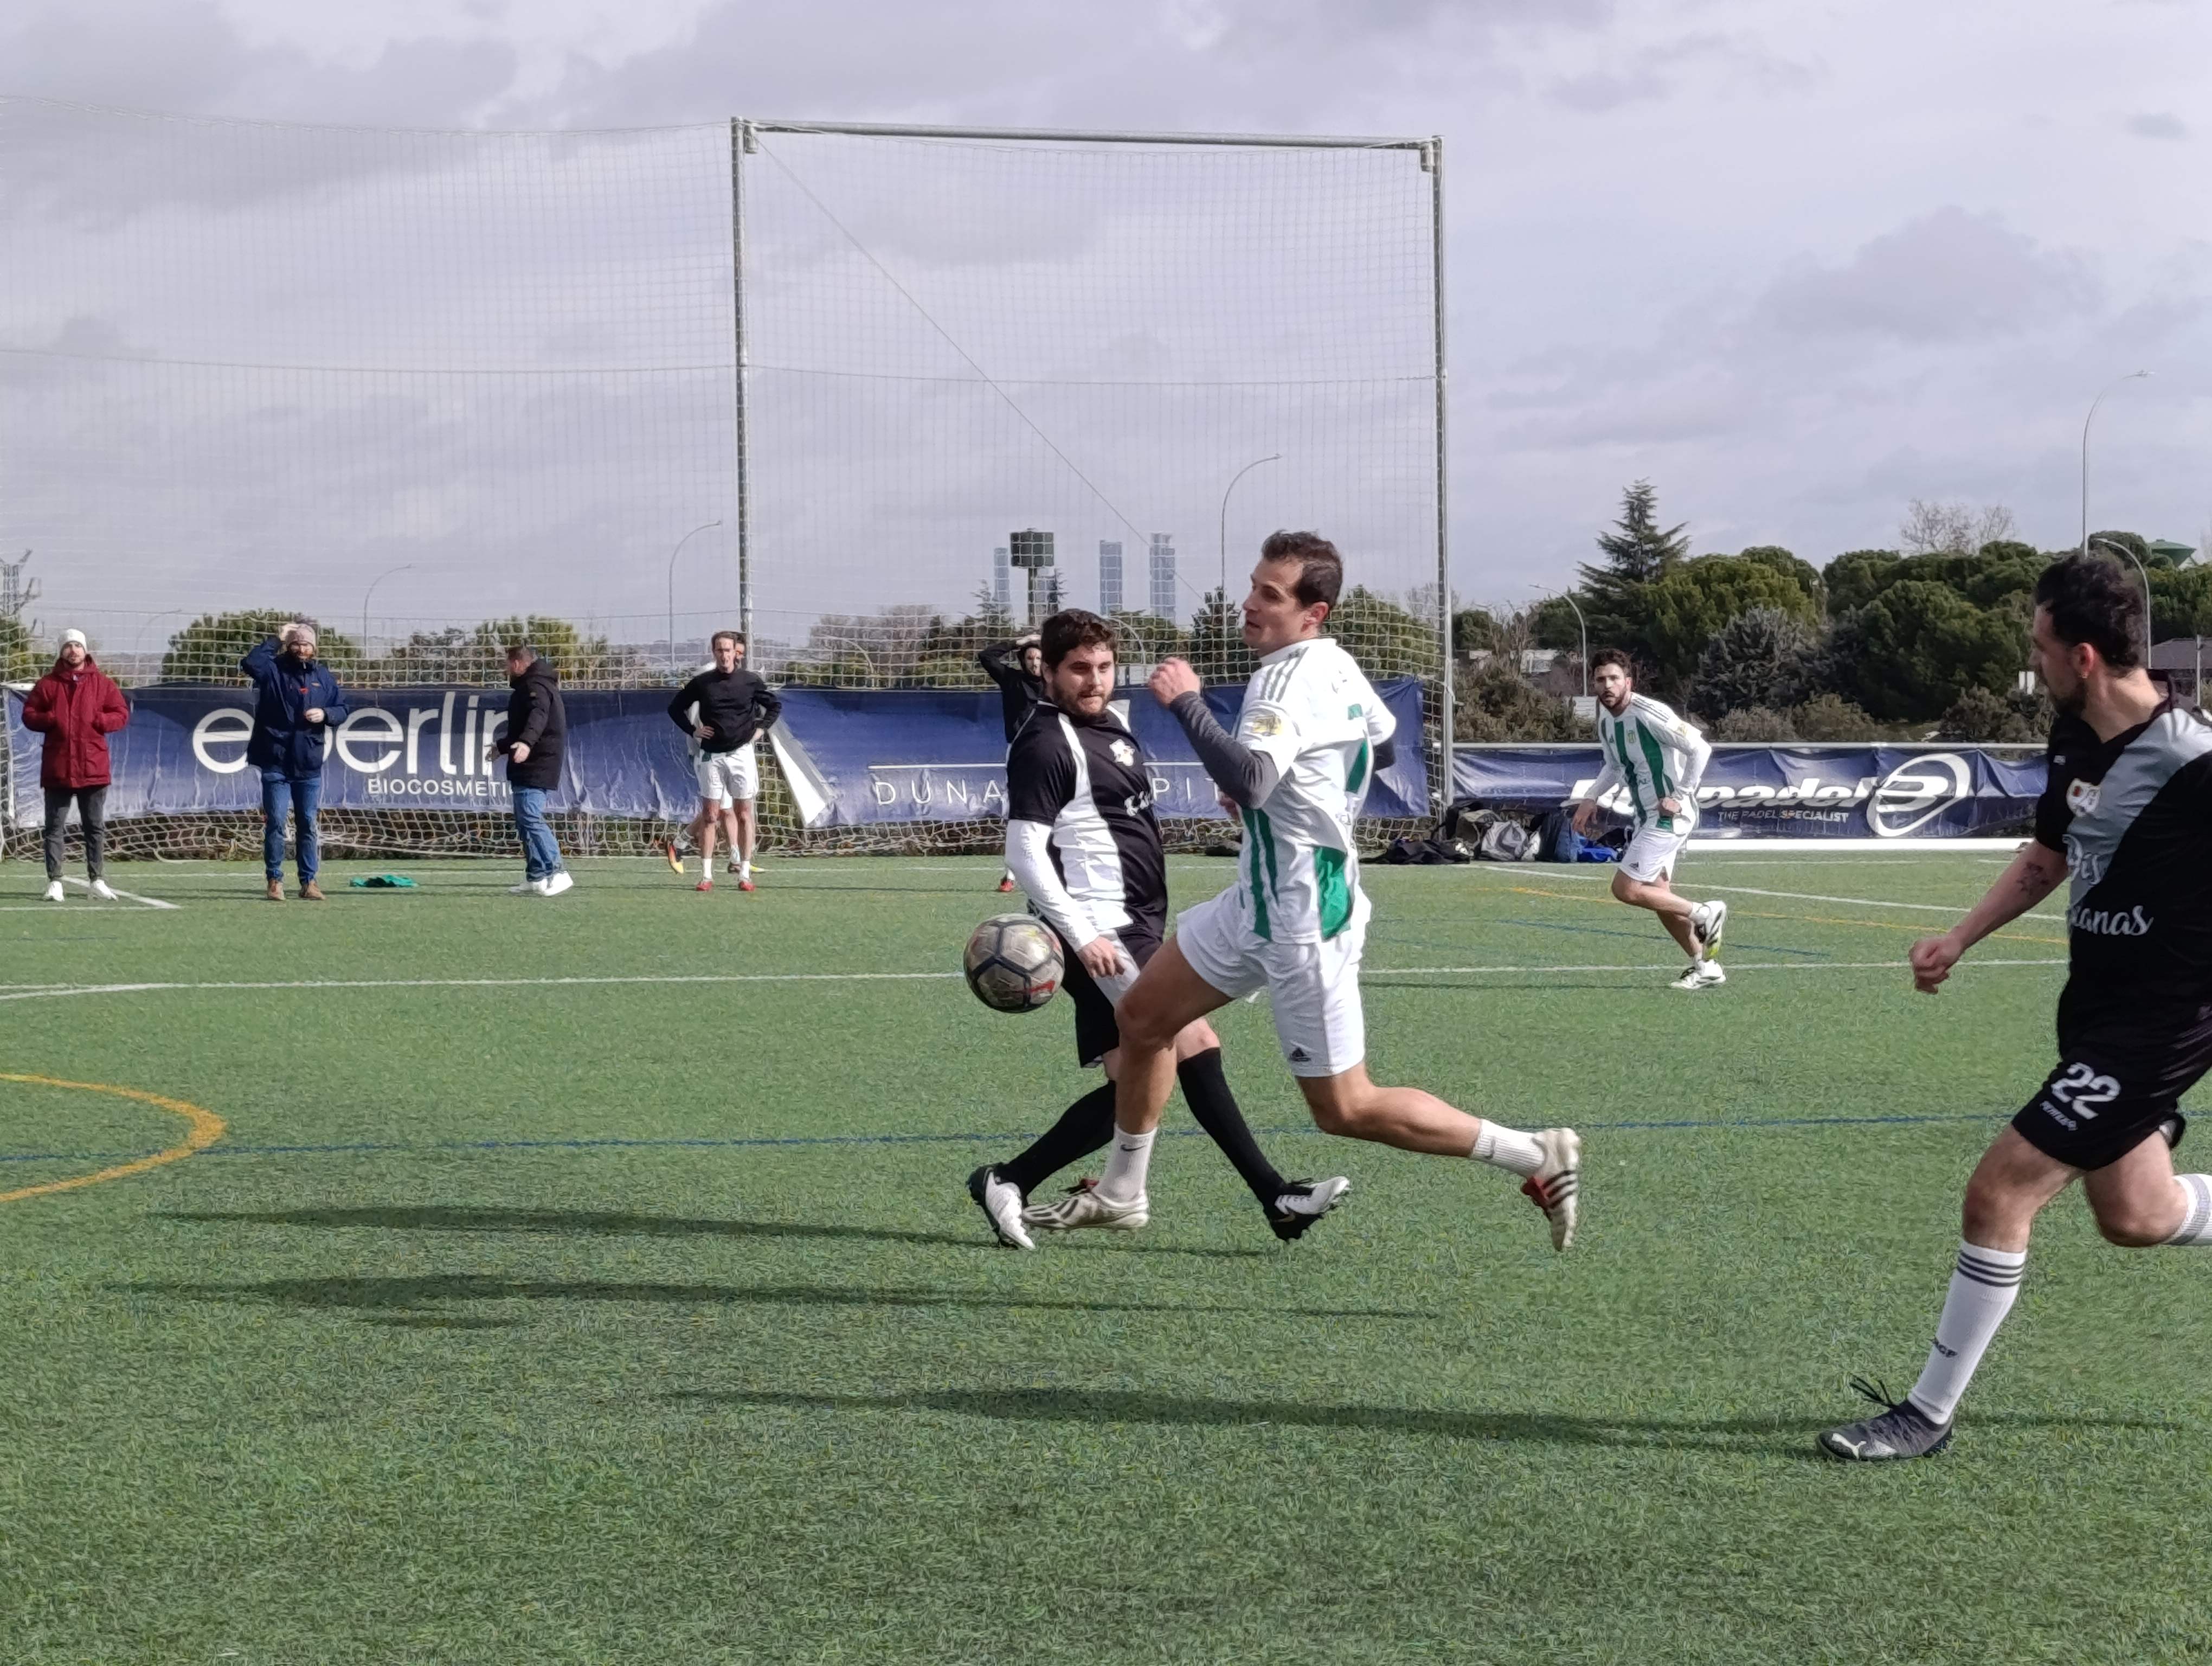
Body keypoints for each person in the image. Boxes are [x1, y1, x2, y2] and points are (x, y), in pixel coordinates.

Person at [1820, 553, 2212, 1461]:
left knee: (2000, 1190)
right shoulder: (2074, 736)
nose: (2031, 661)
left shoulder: (2193, 761)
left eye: (2039, 646)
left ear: (2083, 656)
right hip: (2094, 1009)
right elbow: (2049, 855)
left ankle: (1926, 1415)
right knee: (2137, 1215)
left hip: (2156, 1027)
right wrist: (1959, 937)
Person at [1093, 531, 1583, 1249]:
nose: (1249, 603)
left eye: (1270, 594)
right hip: (1257, 900)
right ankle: (1122, 1191)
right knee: (1141, 1019)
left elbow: (1251, 780)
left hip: (1305, 915)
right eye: (1253, 586)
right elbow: (1378, 745)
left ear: (1313, 612)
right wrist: (1292, 786)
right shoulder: (1335, 662)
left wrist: (1188, 702)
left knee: (1345, 1107)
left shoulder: (1284, 680)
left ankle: (1535, 1155)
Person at [966, 608, 1350, 1249]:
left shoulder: (1111, 723)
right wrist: (1083, 936)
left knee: (1138, 1081)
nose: (1094, 680)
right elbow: (1025, 853)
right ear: (1050, 672)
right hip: (1103, 928)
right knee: (1189, 1042)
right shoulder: (1045, 741)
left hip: (1133, 924)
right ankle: (1273, 1195)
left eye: (1104, 667)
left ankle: (1009, 1179)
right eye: (1078, 669)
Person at [1570, 649, 1727, 990]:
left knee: (1626, 889)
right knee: (1658, 896)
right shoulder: (1606, 719)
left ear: (1629, 682)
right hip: (1646, 817)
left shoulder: (1649, 712)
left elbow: (1701, 749)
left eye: (1614, 678)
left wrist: (1681, 795)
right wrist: (1590, 797)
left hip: (1669, 817)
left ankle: (1705, 913)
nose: (1607, 685)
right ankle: (1705, 966)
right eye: (1600, 679)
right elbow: (1614, 766)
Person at [663, 631, 780, 893]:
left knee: (744, 813)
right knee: (711, 814)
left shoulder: (750, 681)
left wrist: (761, 729)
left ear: (736, 653)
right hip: (711, 756)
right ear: (714, 652)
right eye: (720, 650)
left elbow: (774, 706)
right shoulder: (703, 682)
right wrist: (694, 731)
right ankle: (706, 875)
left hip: (741, 754)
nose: (725, 655)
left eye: (729, 650)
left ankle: (744, 873)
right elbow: (675, 708)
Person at [21, 629, 128, 903]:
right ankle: (55, 882)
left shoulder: (103, 684)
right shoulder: (47, 684)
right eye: (68, 646)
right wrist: (50, 719)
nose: (73, 650)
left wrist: (101, 721)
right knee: (54, 828)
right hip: (58, 768)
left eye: (78, 645)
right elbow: (29, 714)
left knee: (94, 827)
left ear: (85, 650)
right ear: (61, 651)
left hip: (93, 768)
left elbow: (120, 713)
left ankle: (97, 880)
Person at [242, 622, 348, 901]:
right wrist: (276, 639)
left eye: (307, 644)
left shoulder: (323, 676)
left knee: (308, 823)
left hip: (308, 762)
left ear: (314, 648)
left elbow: (342, 708)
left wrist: (326, 714)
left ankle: (309, 882)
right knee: (277, 821)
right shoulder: (273, 670)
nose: (302, 649)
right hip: (275, 760)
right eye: (297, 643)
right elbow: (251, 663)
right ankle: (274, 880)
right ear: (289, 645)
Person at [494, 642, 573, 897]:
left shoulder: (535, 686)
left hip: (538, 761)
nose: (506, 669)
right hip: (527, 761)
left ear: (517, 663)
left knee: (530, 815)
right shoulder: (529, 686)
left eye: (508, 664)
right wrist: (501, 747)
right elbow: (520, 728)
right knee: (523, 820)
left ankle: (558, 872)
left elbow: (538, 717)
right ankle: (537, 876)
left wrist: (527, 744)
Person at [979, 631, 1044, 893]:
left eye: (1039, 658)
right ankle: (1011, 876)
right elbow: (986, 656)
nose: (1035, 663)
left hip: (1053, 753)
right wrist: (1020, 642)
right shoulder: (1012, 680)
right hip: (1021, 752)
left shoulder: (1056, 684)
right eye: (1030, 658)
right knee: (1020, 813)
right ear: (1023, 660)